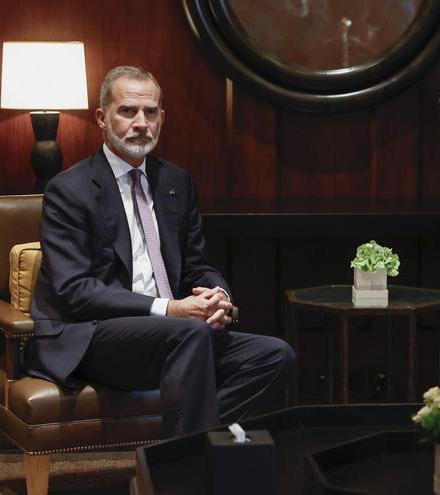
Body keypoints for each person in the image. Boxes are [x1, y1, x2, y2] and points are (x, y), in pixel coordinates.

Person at [26, 65, 296, 436]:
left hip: (175, 337)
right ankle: (193, 467)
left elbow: (198, 265)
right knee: (190, 333)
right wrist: (170, 309)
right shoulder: (69, 190)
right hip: (93, 334)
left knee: (274, 355)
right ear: (102, 118)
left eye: (150, 112)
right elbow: (75, 291)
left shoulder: (176, 182)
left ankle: (179, 450)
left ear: (162, 118)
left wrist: (218, 296)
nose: (141, 123)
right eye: (128, 111)